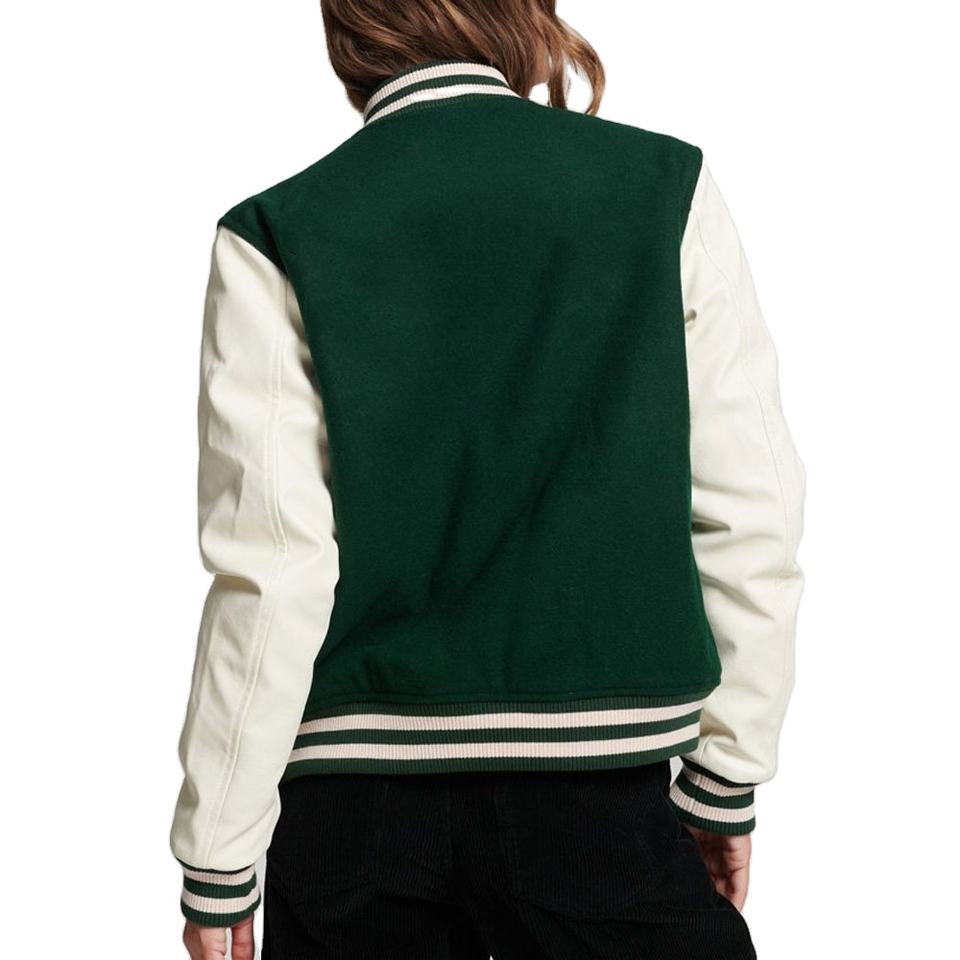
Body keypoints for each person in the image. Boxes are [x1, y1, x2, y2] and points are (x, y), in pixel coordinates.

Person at [168, 2, 807, 958]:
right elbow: (753, 510)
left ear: (349, 29)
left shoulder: (277, 232)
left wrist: (217, 859)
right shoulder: (662, 188)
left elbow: (273, 574)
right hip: (598, 798)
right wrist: (725, 773)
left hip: (352, 816)